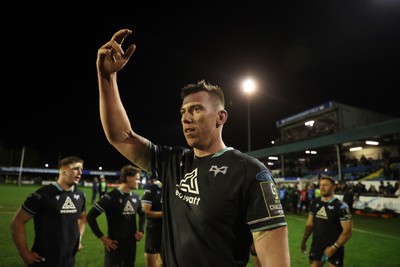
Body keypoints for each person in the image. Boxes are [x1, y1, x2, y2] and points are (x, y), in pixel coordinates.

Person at [96, 28, 290, 266]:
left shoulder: (250, 172)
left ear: (221, 117)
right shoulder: (172, 162)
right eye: (183, 112)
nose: (186, 118)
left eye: (196, 110)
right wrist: (107, 78)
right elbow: (120, 136)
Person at [10, 156, 87, 267]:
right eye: (76, 168)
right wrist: (25, 254)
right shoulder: (42, 195)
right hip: (44, 260)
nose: (80, 173)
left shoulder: (80, 195)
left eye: (81, 169)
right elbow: (17, 222)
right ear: (63, 171)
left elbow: (82, 218)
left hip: (69, 260)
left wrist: (78, 238)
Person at [86, 165, 146, 267]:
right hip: (114, 246)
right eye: (137, 179)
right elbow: (90, 216)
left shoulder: (136, 198)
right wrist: (103, 238)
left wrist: (141, 230)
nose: (139, 182)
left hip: (131, 245)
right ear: (128, 178)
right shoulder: (110, 197)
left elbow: (142, 214)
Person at [301, 176, 353, 267]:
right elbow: (309, 224)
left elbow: (348, 231)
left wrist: (334, 247)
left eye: (325, 185)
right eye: (320, 185)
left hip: (335, 248)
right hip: (317, 246)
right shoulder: (314, 203)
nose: (322, 187)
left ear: (333, 187)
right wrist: (304, 239)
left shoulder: (341, 206)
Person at [142, 179, 163, 267]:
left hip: (169, 228)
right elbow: (146, 212)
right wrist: (166, 214)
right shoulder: (152, 188)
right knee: (151, 253)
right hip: (154, 227)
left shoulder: (172, 188)